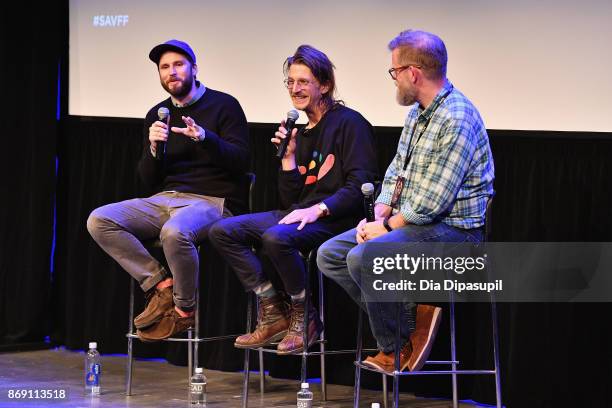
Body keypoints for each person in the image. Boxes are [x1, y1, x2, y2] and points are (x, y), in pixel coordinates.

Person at [317, 29, 495, 373]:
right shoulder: (419, 113)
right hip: (418, 225)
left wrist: (383, 227)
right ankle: (410, 323)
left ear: (413, 73)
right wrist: (382, 207)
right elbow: (399, 168)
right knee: (331, 256)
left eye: (394, 71)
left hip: (457, 233)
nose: (394, 79)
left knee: (365, 257)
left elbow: (432, 204)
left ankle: (396, 347)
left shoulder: (455, 119)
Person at [208, 45, 378, 354]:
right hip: (302, 213)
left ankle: (305, 315)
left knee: (275, 239)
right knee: (223, 231)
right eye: (290, 82)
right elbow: (291, 199)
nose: (295, 89)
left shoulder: (350, 124)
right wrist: (287, 160)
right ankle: (273, 310)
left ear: (324, 85)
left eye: (303, 82)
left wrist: (319, 209)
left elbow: (360, 186)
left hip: (337, 219)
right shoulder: (300, 132)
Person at [87, 39, 250, 341]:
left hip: (212, 201)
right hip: (165, 199)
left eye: (178, 65)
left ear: (194, 69)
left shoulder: (224, 105)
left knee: (174, 232)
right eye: (164, 67)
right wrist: (152, 149)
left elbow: (241, 162)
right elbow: (148, 181)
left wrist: (205, 138)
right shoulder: (158, 113)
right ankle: (160, 285)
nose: (171, 72)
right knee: (99, 220)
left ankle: (184, 310)